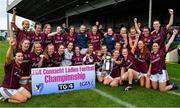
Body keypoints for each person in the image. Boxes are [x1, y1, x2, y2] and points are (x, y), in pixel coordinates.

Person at [0, 39, 31, 103]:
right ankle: (4, 99)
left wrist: (29, 77)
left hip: (17, 87)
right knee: (23, 99)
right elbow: (7, 57)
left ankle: (14, 95)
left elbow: (20, 77)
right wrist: (11, 46)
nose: (20, 57)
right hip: (7, 88)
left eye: (22, 56)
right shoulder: (11, 64)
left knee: (29, 96)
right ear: (15, 57)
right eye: (18, 56)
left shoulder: (21, 65)